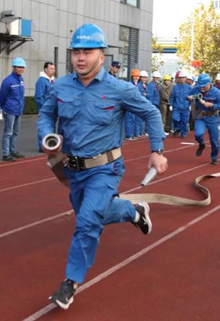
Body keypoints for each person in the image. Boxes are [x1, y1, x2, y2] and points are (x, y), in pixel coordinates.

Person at [37, 23, 167, 310]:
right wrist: (46, 137)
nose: (81, 58)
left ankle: (70, 283)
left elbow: (152, 113)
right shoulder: (60, 86)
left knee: (86, 222)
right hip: (71, 169)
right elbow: (46, 115)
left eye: (87, 52)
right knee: (91, 213)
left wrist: (156, 151)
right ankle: (134, 211)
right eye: (76, 52)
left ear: (101, 54)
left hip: (105, 169)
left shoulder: (119, 89)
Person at [189, 73, 220, 164]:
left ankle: (214, 157)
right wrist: (190, 97)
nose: (201, 88)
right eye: (200, 86)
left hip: (212, 118)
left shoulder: (217, 93)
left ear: (209, 83)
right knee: (198, 134)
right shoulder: (196, 89)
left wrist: (212, 105)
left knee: (214, 141)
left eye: (204, 86)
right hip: (201, 116)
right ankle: (201, 144)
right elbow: (189, 95)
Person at [0, 57, 26, 161]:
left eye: (22, 67)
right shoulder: (7, 81)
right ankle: (5, 154)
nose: (21, 69)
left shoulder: (21, 80)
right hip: (10, 110)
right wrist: (3, 108)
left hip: (18, 110)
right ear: (14, 67)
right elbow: (2, 96)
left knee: (16, 132)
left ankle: (13, 151)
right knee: (8, 133)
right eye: (19, 67)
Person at [35, 62, 56, 152]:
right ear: (45, 69)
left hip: (52, 109)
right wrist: (45, 108)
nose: (53, 71)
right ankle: (42, 146)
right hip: (45, 110)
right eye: (51, 68)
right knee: (44, 128)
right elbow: (39, 96)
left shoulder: (52, 80)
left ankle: (50, 145)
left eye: (54, 69)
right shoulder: (41, 81)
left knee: (51, 128)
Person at [170, 70, 191, 137]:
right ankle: (178, 128)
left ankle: (184, 133)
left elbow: (192, 97)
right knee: (175, 118)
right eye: (180, 78)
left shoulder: (189, 87)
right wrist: (171, 104)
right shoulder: (175, 87)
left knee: (184, 121)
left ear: (185, 78)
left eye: (183, 77)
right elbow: (172, 96)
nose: (182, 79)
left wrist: (190, 105)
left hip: (185, 107)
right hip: (177, 107)